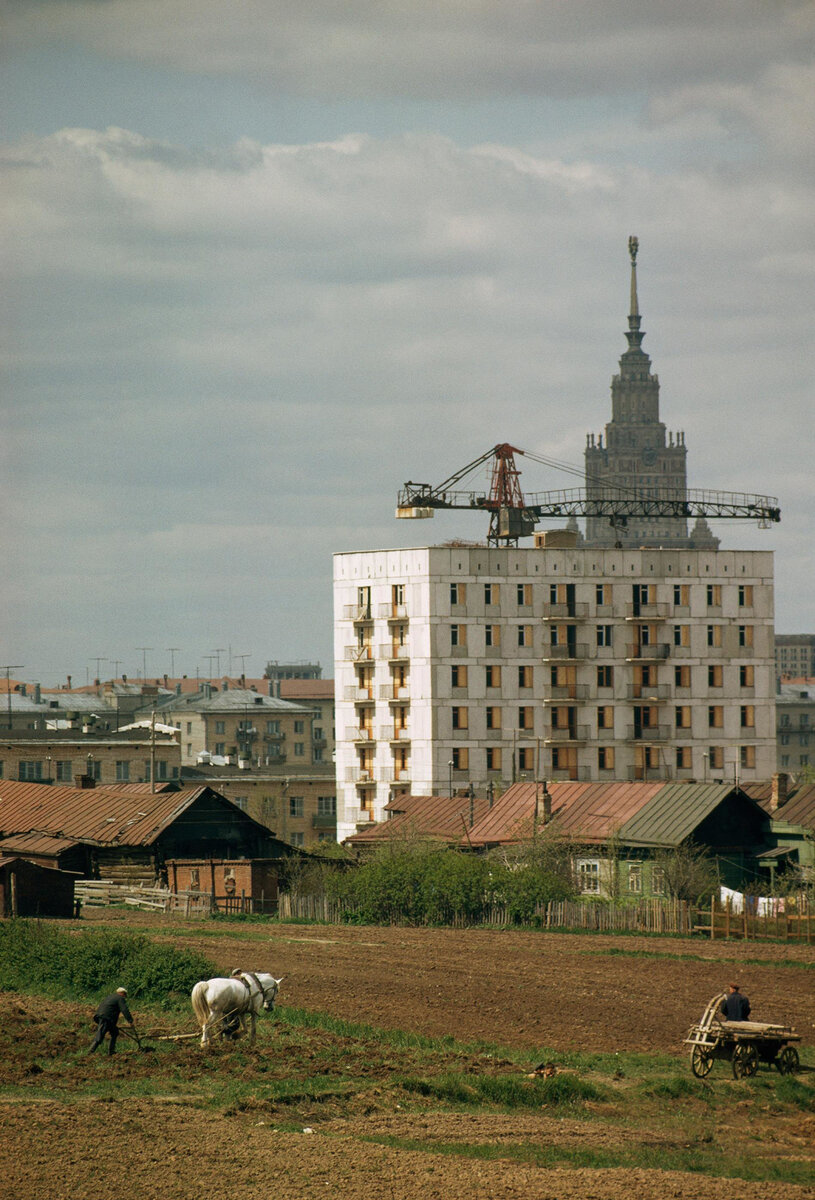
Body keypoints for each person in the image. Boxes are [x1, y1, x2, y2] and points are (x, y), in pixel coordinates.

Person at [89, 987, 134, 1055]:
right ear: (122, 993)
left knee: (114, 1032)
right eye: (125, 995)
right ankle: (90, 1051)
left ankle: (111, 1051)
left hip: (102, 1016)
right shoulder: (120, 998)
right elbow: (124, 1010)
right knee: (101, 1033)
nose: (125, 997)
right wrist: (130, 1020)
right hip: (105, 1018)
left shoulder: (111, 996)